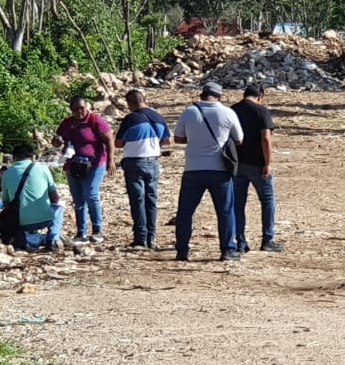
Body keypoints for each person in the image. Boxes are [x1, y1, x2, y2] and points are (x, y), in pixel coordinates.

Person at [173, 81, 244, 262]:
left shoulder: (189, 112)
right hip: (219, 169)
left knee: (185, 212)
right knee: (225, 211)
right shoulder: (228, 113)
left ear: (202, 94)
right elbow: (239, 139)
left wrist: (194, 139)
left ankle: (182, 250)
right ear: (219, 96)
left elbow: (178, 138)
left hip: (193, 168)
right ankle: (227, 250)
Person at [53, 95, 116, 244]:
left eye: (81, 108)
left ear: (86, 106)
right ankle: (81, 232)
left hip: (95, 163)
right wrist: (57, 141)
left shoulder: (95, 120)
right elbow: (57, 141)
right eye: (75, 109)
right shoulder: (68, 123)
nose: (79, 112)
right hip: (74, 164)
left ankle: (97, 230)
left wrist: (111, 160)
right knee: (78, 199)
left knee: (91, 194)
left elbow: (109, 139)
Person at [115, 89, 172, 249]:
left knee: (137, 200)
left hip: (134, 162)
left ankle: (141, 238)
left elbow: (118, 143)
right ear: (144, 99)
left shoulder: (130, 118)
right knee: (151, 200)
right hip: (153, 162)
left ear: (129, 103)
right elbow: (167, 141)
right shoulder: (158, 117)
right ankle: (151, 237)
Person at [232, 84, 283, 253]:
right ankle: (267, 239)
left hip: (237, 163)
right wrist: (268, 163)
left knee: (237, 204)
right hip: (257, 164)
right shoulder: (261, 111)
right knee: (267, 200)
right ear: (260, 97)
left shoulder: (232, 110)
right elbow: (266, 138)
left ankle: (239, 241)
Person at [0, 142, 64, 251]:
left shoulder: (7, 173)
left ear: (14, 158)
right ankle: (53, 239)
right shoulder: (43, 169)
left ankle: (27, 239)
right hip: (44, 219)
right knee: (59, 207)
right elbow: (55, 198)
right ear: (32, 157)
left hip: (20, 222)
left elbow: (6, 203)